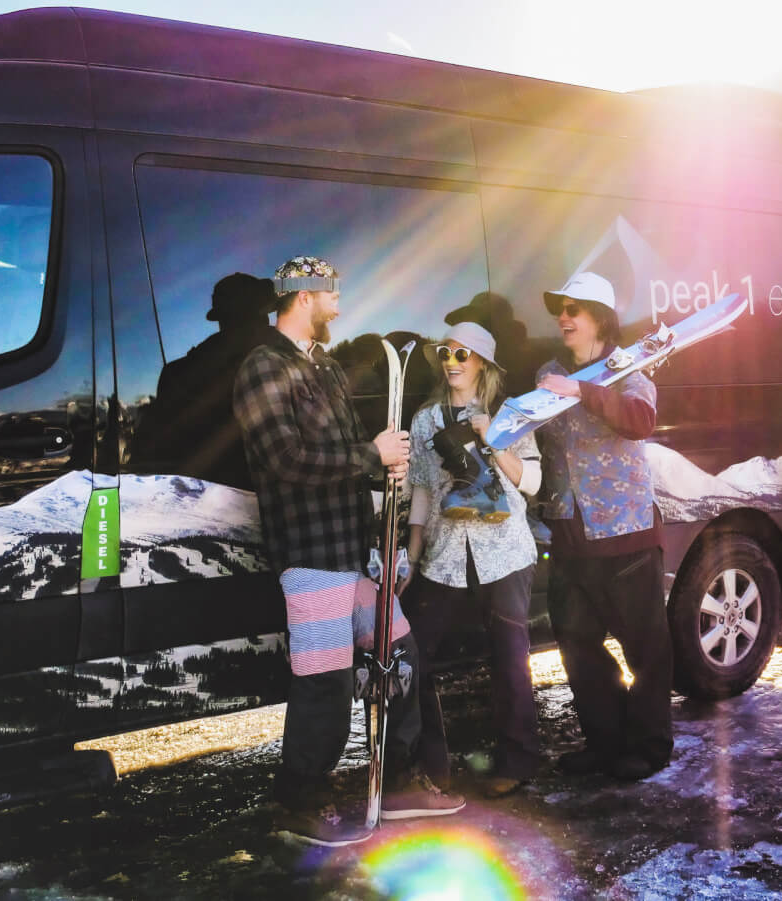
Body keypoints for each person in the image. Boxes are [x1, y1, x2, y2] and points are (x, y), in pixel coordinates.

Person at [232, 255, 464, 847]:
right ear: (304, 296)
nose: (339, 302)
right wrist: (371, 456)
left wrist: (379, 522)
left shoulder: (326, 369)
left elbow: (344, 458)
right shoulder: (263, 368)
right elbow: (283, 461)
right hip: (309, 555)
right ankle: (297, 800)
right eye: (332, 292)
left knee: (401, 655)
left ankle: (402, 781)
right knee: (325, 684)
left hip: (352, 551)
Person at [534, 271, 673, 782]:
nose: (563, 317)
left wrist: (580, 389)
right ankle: (605, 740)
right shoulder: (546, 371)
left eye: (575, 309)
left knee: (646, 648)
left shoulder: (628, 369)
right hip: (568, 533)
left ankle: (649, 747)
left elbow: (639, 421)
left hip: (625, 535)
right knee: (578, 644)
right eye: (560, 308)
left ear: (601, 319)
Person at [399, 321, 543, 799]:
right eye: (446, 352)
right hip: (443, 554)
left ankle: (516, 761)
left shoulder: (510, 413)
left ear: (483, 363)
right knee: (414, 651)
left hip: (505, 553)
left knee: (509, 658)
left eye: (463, 354)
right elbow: (420, 489)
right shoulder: (424, 421)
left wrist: (495, 441)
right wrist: (411, 556)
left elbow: (532, 483)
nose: (451, 361)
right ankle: (431, 765)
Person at [130, 273, 277, 488]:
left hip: (202, 500)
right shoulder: (287, 360)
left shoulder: (177, 372)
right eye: (263, 315)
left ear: (221, 320)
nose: (267, 323)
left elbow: (152, 455)